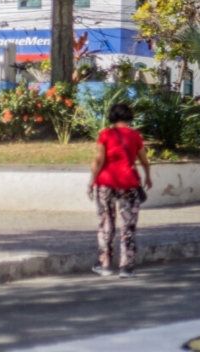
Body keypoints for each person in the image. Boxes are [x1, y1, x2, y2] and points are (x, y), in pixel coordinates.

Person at [88, 103, 152, 278]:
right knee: (128, 226)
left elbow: (98, 160)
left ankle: (105, 265)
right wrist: (147, 176)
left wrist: (91, 182)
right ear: (129, 117)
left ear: (112, 117)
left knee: (105, 224)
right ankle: (126, 267)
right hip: (129, 184)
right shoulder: (134, 136)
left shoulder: (105, 134)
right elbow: (144, 160)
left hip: (105, 183)